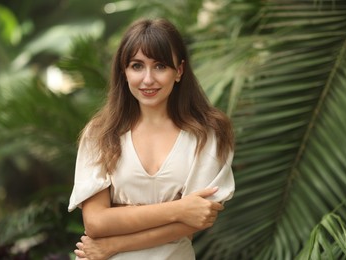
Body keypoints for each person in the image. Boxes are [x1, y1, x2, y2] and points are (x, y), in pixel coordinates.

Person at [68, 18, 235, 260]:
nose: (148, 79)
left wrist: (114, 243)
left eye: (160, 66)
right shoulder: (100, 133)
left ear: (179, 71)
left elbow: (198, 218)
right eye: (137, 66)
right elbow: (95, 223)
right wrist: (179, 208)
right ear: (123, 72)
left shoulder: (208, 134)